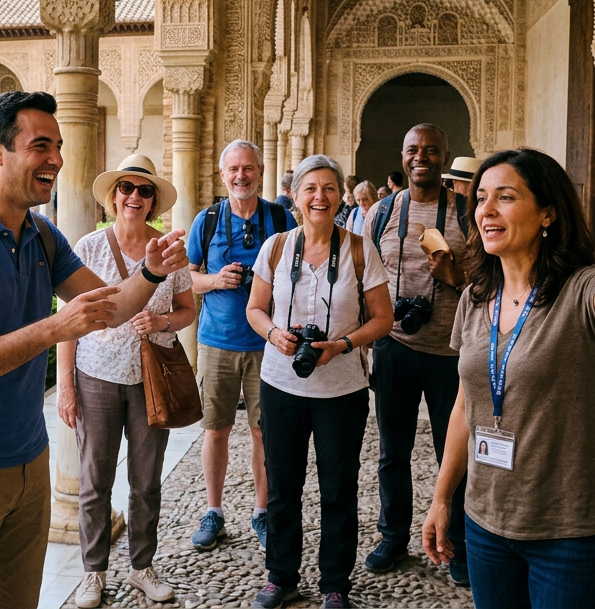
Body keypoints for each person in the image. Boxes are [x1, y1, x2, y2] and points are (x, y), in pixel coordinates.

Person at [0, 91, 188, 609]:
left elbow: (113, 307)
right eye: (41, 146)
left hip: (28, 457)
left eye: (57, 146)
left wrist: (151, 271)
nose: (56, 159)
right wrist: (53, 329)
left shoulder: (41, 234)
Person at [422, 148, 595, 608]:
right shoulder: (477, 297)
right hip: (486, 523)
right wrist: (443, 498)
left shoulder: (582, 286)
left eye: (505, 196)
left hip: (572, 530)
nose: (487, 210)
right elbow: (466, 404)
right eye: (481, 198)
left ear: (547, 213)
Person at [244, 155, 395, 609]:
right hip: (281, 385)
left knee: (338, 488)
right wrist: (274, 334)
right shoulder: (275, 247)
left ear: (340, 196)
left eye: (329, 188)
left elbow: (384, 319)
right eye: (311, 188)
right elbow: (255, 309)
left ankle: (335, 584)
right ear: (296, 195)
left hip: (342, 391)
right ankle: (281, 576)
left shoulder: (358, 249)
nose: (320, 197)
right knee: (283, 487)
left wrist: (342, 345)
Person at [62, 155, 195, 609]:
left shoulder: (171, 251)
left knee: (146, 480)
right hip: (95, 375)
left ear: (153, 201)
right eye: (127, 188)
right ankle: (93, 573)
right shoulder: (89, 247)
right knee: (95, 480)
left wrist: (162, 318)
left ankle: (142, 567)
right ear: (113, 196)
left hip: (148, 378)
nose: (134, 197)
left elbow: (187, 310)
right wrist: (65, 386)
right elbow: (70, 321)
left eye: (144, 191)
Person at [365, 123, 471, 584]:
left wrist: (454, 277)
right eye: (412, 150)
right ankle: (393, 535)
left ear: (445, 156)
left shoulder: (469, 214)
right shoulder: (384, 212)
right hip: (395, 349)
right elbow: (364, 278)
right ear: (403, 156)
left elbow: (493, 286)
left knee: (457, 454)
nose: (420, 156)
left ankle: (458, 544)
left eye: (431, 149)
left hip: (453, 353)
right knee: (394, 451)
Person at [186, 139, 297, 552]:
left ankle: (262, 510)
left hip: (268, 343)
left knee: (262, 432)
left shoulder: (279, 217)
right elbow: (187, 277)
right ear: (222, 175)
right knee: (215, 430)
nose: (241, 176)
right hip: (216, 341)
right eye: (233, 169)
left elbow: (297, 274)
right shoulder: (208, 220)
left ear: (260, 171)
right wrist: (217, 280)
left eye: (248, 168)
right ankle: (213, 511)